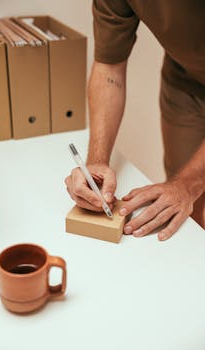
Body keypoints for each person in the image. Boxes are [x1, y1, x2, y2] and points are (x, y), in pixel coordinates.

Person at [65, 0, 205, 241]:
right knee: (190, 215)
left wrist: (187, 185)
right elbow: (109, 69)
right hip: (186, 83)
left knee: (188, 185)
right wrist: (96, 163)